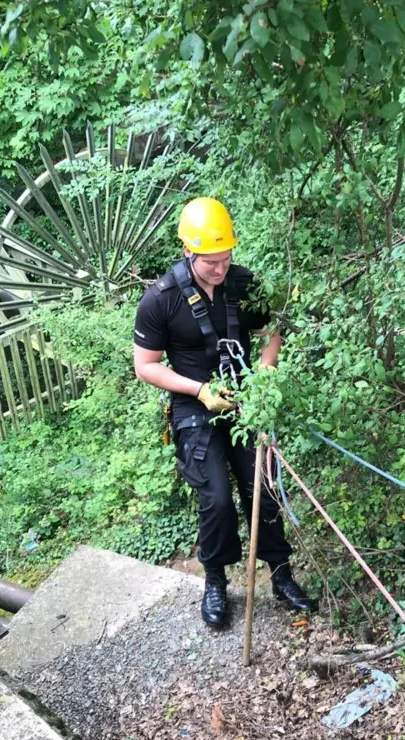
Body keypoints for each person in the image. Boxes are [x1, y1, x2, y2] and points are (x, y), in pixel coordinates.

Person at [133, 197, 318, 628]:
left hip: (244, 398)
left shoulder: (243, 283)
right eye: (211, 262)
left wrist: (265, 377)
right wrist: (200, 390)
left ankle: (281, 574)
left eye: (226, 258)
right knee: (215, 497)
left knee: (263, 486)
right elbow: (146, 366)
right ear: (188, 252)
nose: (220, 269)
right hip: (194, 402)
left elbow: (273, 329)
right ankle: (215, 580)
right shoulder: (160, 301)